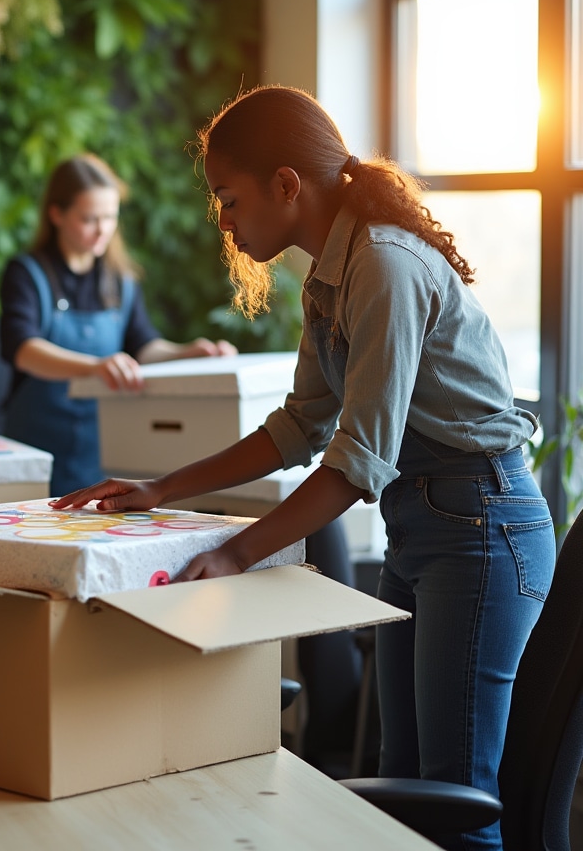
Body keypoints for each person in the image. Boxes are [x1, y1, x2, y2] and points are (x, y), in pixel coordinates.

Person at [52, 87, 555, 851]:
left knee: (457, 798)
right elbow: (298, 427)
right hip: (424, 529)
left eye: (229, 197)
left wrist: (235, 552)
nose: (222, 219)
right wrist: (160, 488)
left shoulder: (383, 265)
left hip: (480, 527)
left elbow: (356, 462)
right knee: (404, 785)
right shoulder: (332, 274)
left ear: (287, 185)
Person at [0, 153, 236, 496]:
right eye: (89, 219)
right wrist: (96, 366)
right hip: (35, 455)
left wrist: (190, 352)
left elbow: (144, 346)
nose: (102, 230)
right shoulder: (26, 274)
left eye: (110, 218)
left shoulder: (121, 281)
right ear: (56, 214)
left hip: (105, 455)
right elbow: (22, 349)